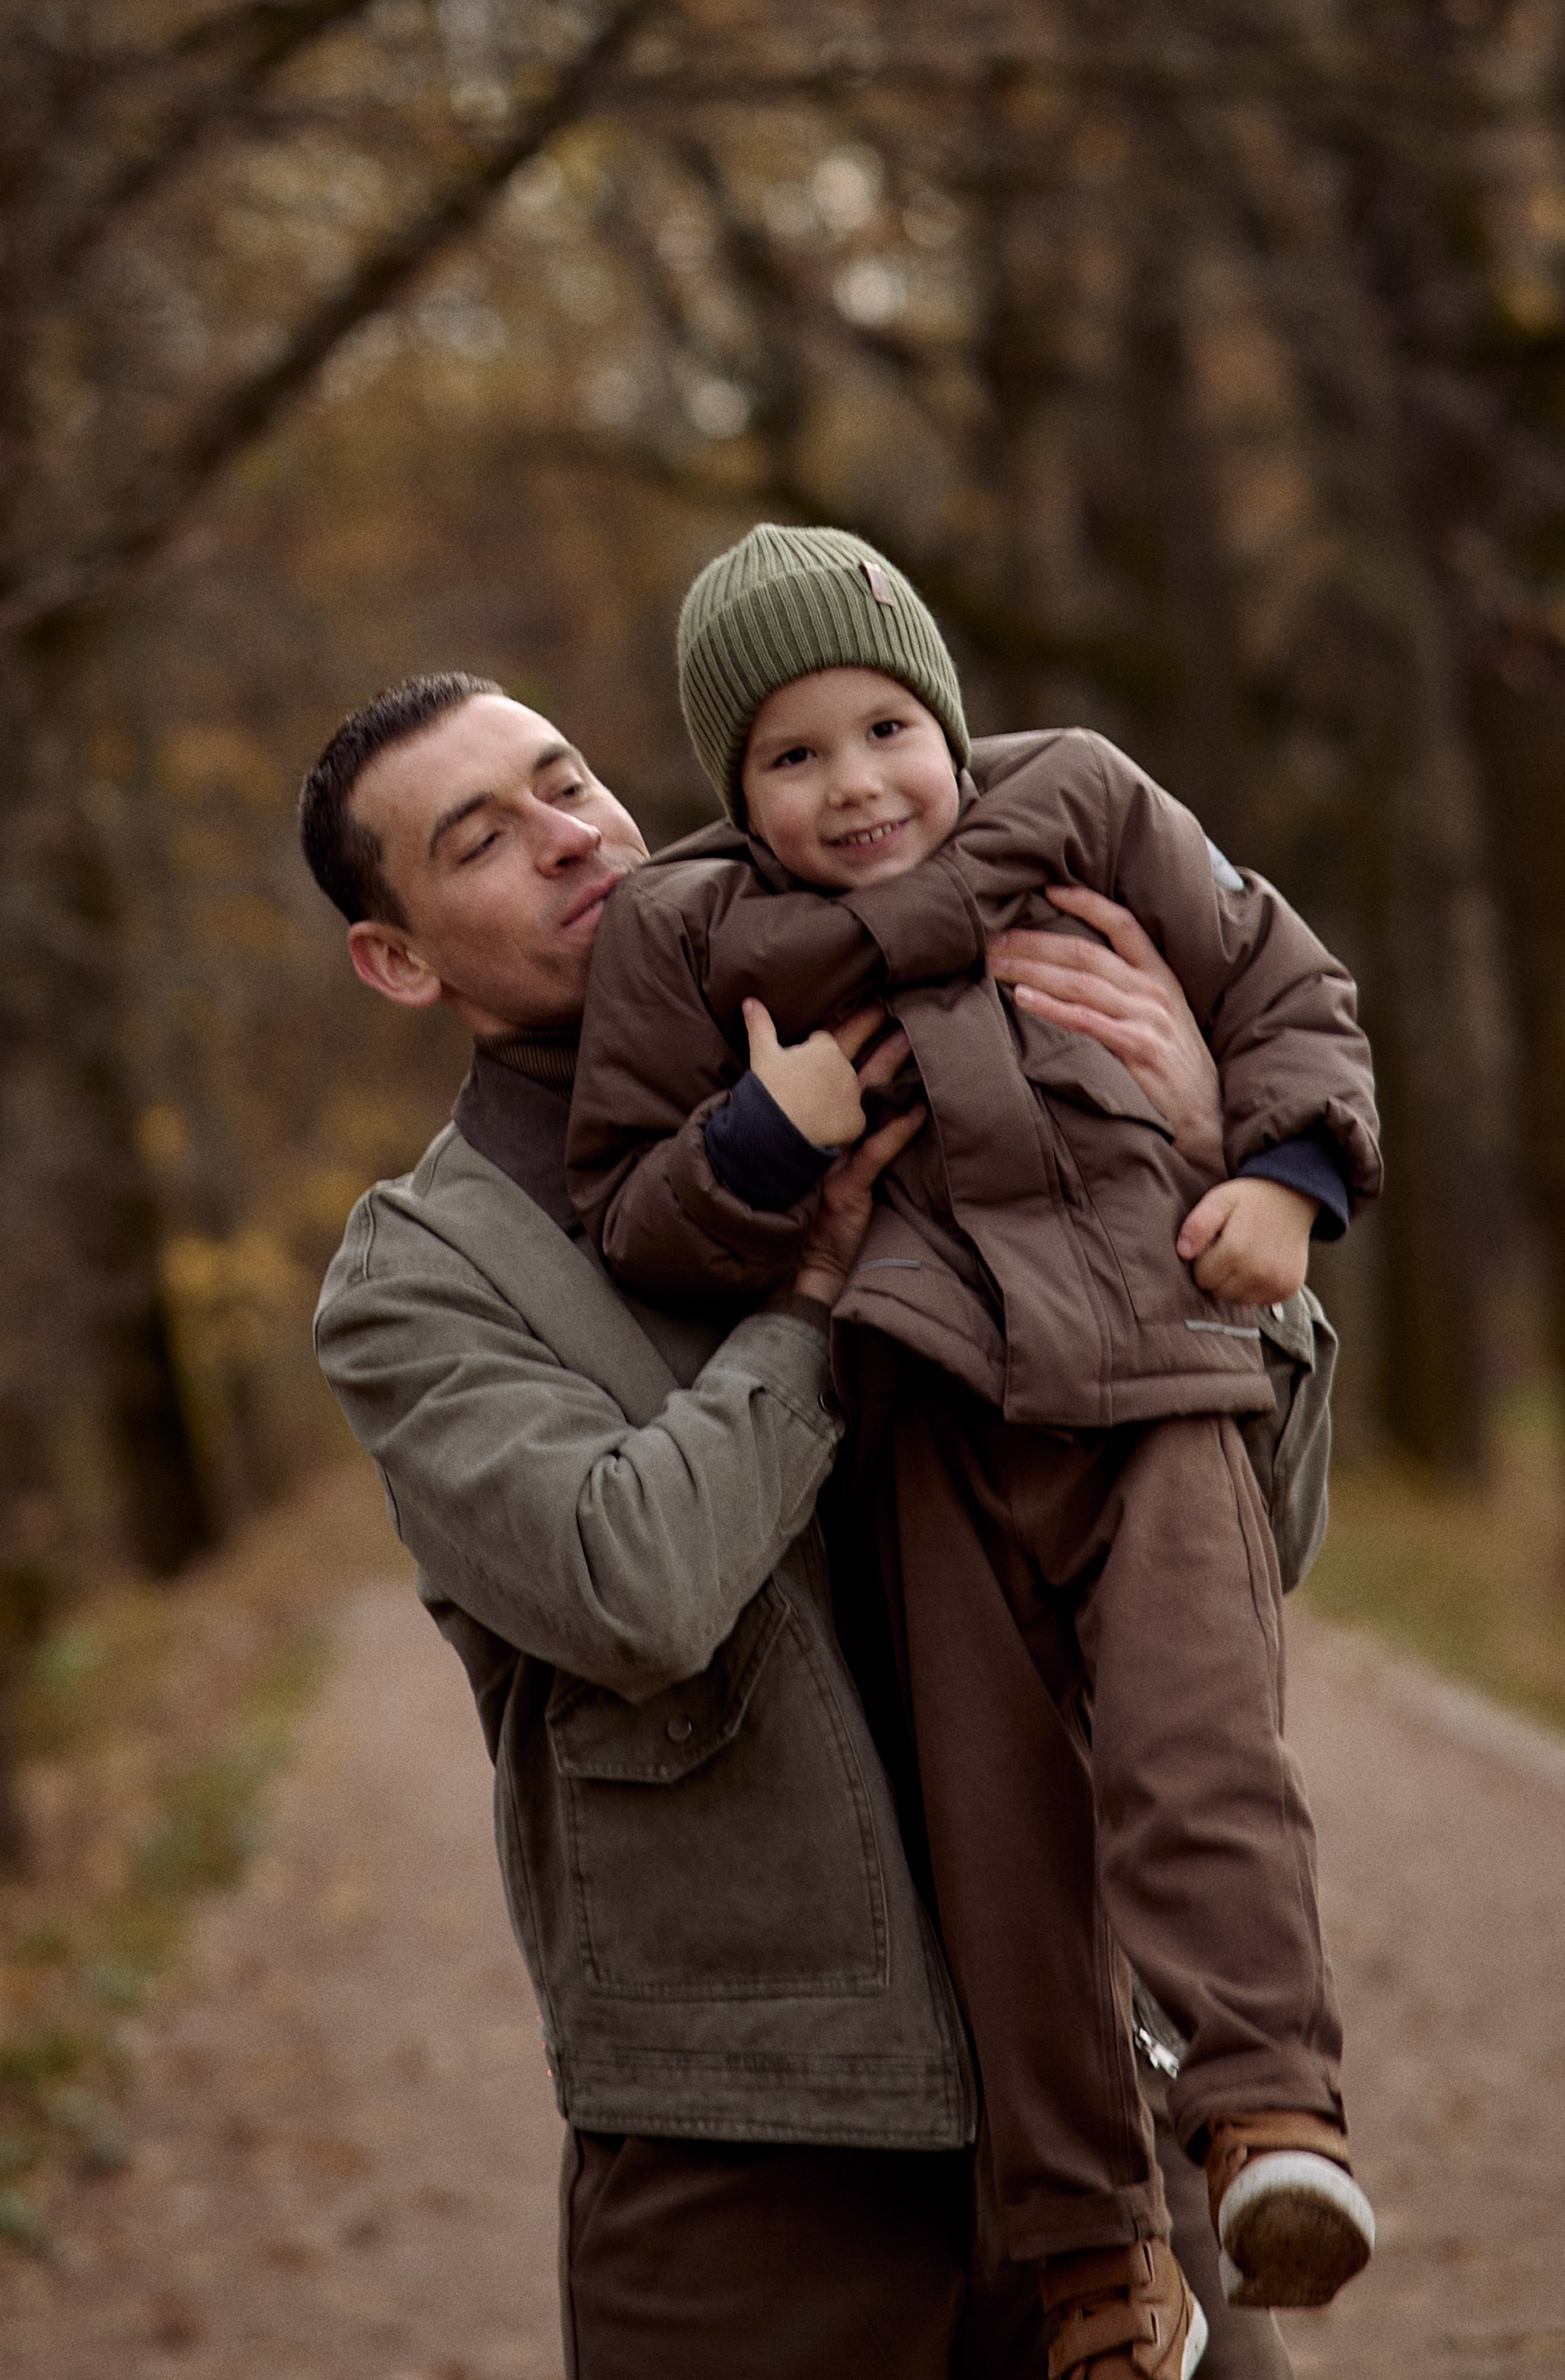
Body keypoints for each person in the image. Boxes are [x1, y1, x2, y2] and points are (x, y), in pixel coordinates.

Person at [300, 668, 1306, 2380]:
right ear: (398, 958)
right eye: (481, 838)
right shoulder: (422, 1277)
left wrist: (1205, 1179)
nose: (569, 837)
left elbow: (1251, 1533)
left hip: (1088, 2102)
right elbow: (632, 1583)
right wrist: (809, 1300)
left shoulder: (948, 1045)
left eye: (564, 779)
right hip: (750, 2148)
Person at [564, 525, 1380, 2380]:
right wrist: (762, 1144)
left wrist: (1278, 1170)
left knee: (1194, 1750)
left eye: (881, 727)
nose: (853, 785)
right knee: (1000, 1845)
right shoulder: (684, 934)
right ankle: (1092, 2262)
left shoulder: (1082, 800)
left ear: (943, 711)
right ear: (730, 786)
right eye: (788, 754)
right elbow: (625, 1198)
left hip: (1159, 1372)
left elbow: (1280, 984)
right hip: (924, 1418)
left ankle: (1269, 2120)